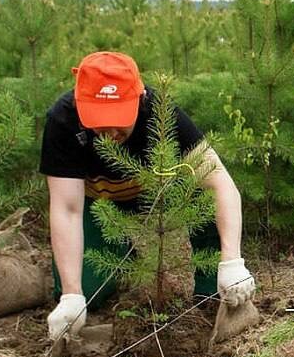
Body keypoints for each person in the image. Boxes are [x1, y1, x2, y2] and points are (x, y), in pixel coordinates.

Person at [41, 51, 256, 342]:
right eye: (99, 119)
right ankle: (107, 265)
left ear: (139, 98)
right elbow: (67, 210)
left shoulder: (163, 114)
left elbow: (221, 185)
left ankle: (209, 295)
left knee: (200, 198)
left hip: (157, 199)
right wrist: (71, 293)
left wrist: (232, 261)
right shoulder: (63, 120)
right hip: (100, 207)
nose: (109, 130)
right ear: (80, 103)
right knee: (89, 293)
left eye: (118, 118)